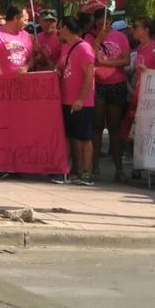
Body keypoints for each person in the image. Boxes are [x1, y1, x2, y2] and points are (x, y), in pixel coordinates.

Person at [57, 15, 96, 186]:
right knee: (72, 137)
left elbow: (90, 76)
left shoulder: (84, 48)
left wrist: (81, 98)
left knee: (84, 138)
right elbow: (62, 67)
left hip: (82, 102)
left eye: (60, 26)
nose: (58, 30)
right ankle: (76, 171)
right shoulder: (65, 47)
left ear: (65, 27)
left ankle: (88, 172)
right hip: (66, 99)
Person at [92, 15, 132, 180]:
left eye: (106, 23)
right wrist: (98, 40)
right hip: (99, 84)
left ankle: (119, 169)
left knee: (115, 127)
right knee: (97, 126)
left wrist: (107, 63)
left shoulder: (120, 37)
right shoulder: (90, 38)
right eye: (100, 23)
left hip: (116, 84)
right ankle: (94, 167)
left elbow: (126, 60)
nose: (104, 26)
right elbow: (91, 58)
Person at [0, 5, 33, 76]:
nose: (26, 23)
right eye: (25, 20)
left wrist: (26, 67)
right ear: (16, 18)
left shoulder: (26, 35)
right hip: (1, 83)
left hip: (22, 83)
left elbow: (32, 59)